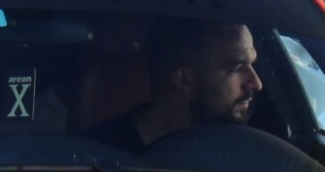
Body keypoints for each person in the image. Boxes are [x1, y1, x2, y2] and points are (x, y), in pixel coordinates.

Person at [86, 19, 262, 152]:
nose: (256, 83)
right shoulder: (96, 157)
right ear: (185, 80)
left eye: (252, 65)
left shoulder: (256, 155)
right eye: (237, 67)